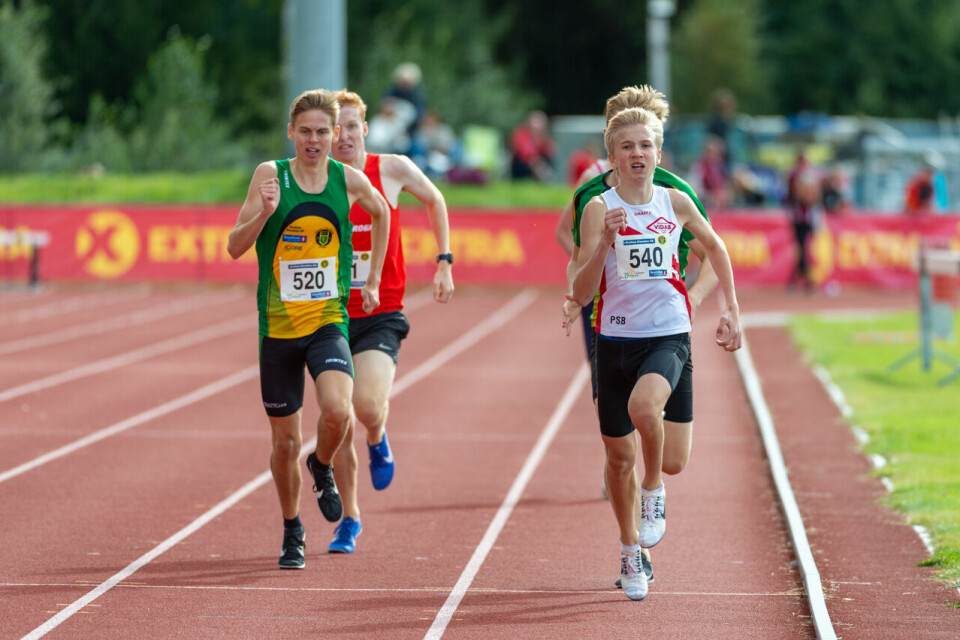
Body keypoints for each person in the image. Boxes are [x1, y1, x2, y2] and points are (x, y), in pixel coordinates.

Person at [569, 106, 741, 602]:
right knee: (617, 455)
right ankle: (630, 551)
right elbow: (581, 291)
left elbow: (716, 249)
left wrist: (730, 308)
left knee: (666, 448)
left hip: (668, 334)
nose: (637, 154)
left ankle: (654, 490)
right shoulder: (597, 208)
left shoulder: (676, 200)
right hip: (614, 341)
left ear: (659, 154)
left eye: (645, 145)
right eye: (627, 147)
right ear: (612, 157)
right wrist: (605, 242)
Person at [226, 88, 390, 570]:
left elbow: (382, 212)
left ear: (335, 134)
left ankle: (321, 466)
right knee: (285, 443)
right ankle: (292, 529)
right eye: (305, 132)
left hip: (326, 321)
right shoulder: (269, 175)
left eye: (322, 132)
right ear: (291, 132)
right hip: (278, 329)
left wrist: (373, 278)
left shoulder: (348, 179)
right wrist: (264, 212)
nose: (313, 140)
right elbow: (234, 247)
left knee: (339, 411)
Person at [327, 89, 455, 554]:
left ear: (365, 128)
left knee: (366, 407)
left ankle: (378, 437)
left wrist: (444, 261)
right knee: (337, 417)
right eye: (334, 129)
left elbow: (435, 200)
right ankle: (349, 518)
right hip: (329, 315)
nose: (343, 136)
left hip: (380, 312)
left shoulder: (392, 169)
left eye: (351, 127)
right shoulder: (317, 179)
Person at [785, 149, 821, 291]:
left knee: (802, 248)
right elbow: (810, 197)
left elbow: (794, 196)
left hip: (802, 218)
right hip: (804, 218)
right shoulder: (809, 175)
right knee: (803, 248)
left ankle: (798, 278)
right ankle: (804, 278)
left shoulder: (795, 175)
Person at [509, 110, 556, 181]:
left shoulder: (544, 137)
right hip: (523, 164)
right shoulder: (521, 134)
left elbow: (551, 151)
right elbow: (523, 152)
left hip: (540, 162)